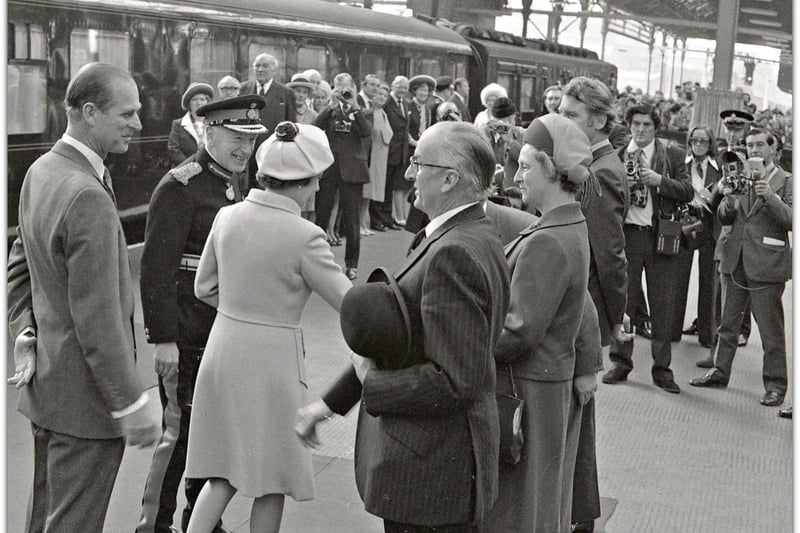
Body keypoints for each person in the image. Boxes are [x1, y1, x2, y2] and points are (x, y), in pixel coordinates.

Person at [296, 121, 511, 532]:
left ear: (449, 179)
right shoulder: (466, 234)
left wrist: (370, 381)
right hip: (438, 466)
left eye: (417, 162)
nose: (409, 173)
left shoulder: (453, 254)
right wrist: (328, 404)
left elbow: (453, 380)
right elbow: (403, 340)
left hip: (430, 474)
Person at [6, 62, 160, 532]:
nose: (138, 123)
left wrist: (25, 332)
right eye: (127, 113)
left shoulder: (43, 169)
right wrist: (130, 403)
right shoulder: (86, 193)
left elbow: (19, 262)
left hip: (49, 391)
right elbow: (97, 319)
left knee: (45, 520)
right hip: (87, 409)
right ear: (89, 112)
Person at [184, 122, 352, 533]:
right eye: (314, 182)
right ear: (299, 183)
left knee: (222, 471)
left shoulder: (227, 216)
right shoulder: (306, 236)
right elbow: (350, 304)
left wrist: (240, 311)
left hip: (223, 347)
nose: (315, 191)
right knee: (271, 478)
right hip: (273, 362)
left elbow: (203, 286)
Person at [137, 95, 267, 533]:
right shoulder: (180, 187)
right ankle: (153, 525)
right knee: (178, 436)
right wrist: (164, 339)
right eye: (235, 137)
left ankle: (201, 521)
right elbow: (156, 270)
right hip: (188, 335)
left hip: (221, 332)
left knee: (212, 433)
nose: (244, 149)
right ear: (208, 132)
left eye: (251, 140)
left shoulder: (237, 183)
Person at [483, 114, 596, 533]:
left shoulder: (547, 238)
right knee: (541, 501)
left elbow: (520, 330)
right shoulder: (568, 223)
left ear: (551, 168)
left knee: (520, 508)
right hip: (546, 386)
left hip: (527, 387)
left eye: (527, 166)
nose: (517, 176)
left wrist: (460, 345)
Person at [559, 76, 630, 533]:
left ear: (600, 119)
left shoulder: (600, 172)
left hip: (580, 312)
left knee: (573, 422)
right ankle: (577, 513)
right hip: (581, 310)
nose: (561, 123)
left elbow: (609, 255)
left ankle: (578, 515)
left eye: (571, 116)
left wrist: (611, 321)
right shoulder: (595, 163)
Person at [690, 128, 792, 408]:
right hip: (734, 258)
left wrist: (770, 196)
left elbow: (792, 220)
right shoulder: (738, 176)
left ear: (774, 149)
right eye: (750, 146)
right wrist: (728, 198)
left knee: (771, 330)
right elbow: (723, 217)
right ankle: (720, 372)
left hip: (767, 262)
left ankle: (775, 385)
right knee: (727, 323)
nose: (755, 150)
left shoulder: (787, 181)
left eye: (760, 145)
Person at [603, 102, 692, 394]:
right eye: (637, 124)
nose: (641, 130)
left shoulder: (672, 155)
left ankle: (662, 369)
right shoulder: (616, 157)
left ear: (656, 128)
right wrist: (622, 186)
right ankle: (621, 361)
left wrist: (659, 181)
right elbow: (604, 200)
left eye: (647, 125)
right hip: (627, 237)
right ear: (630, 126)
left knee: (662, 304)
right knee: (624, 305)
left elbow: (687, 191)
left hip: (660, 237)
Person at [314, 72, 371, 280]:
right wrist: (331, 104)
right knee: (322, 214)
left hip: (352, 171)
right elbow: (315, 126)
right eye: (339, 89)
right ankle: (316, 261)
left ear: (354, 89)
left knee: (352, 220)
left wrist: (354, 105)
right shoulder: (330, 111)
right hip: (330, 169)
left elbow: (365, 133)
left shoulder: (360, 110)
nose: (343, 94)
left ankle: (351, 265)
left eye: (346, 89)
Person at [672, 126, 721, 350]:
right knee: (678, 278)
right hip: (686, 223)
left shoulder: (718, 168)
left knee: (709, 280)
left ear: (710, 143)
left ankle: (707, 334)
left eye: (703, 141)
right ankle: (671, 330)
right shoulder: (682, 163)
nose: (698, 144)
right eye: (694, 140)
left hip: (710, 227)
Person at [239, 52, 297, 190]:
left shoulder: (286, 93)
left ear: (274, 70)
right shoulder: (244, 89)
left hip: (272, 153)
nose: (260, 69)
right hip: (247, 151)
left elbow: (291, 125)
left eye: (265, 66)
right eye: (257, 66)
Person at [376, 75, 411, 230]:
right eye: (400, 87)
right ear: (393, 86)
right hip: (389, 149)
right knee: (384, 186)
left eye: (405, 88)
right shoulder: (387, 102)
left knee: (391, 185)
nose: (402, 90)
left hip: (400, 151)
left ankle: (388, 217)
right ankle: (381, 218)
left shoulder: (405, 104)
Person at [361, 83, 393, 237]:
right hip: (371, 156)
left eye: (385, 95)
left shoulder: (383, 113)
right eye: (379, 94)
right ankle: (361, 223)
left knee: (373, 192)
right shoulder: (369, 113)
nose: (382, 97)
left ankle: (364, 223)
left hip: (381, 158)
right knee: (366, 191)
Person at [167, 82, 214, 165]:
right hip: (185, 170)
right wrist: (190, 166)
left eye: (202, 99)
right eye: (194, 99)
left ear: (207, 102)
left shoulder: (214, 123)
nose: (199, 103)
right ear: (189, 103)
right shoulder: (178, 124)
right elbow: (173, 149)